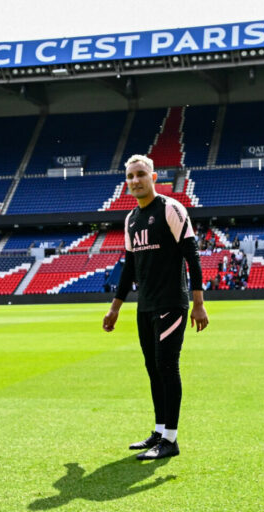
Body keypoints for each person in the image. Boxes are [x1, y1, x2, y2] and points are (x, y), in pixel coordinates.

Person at [103, 153, 209, 461]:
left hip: (171, 303)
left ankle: (171, 439)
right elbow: (129, 267)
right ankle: (160, 430)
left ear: (153, 177)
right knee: (152, 369)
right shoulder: (131, 219)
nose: (135, 180)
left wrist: (199, 304)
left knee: (166, 366)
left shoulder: (171, 209)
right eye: (130, 177)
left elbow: (193, 257)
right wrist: (115, 308)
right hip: (145, 306)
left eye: (140, 174)